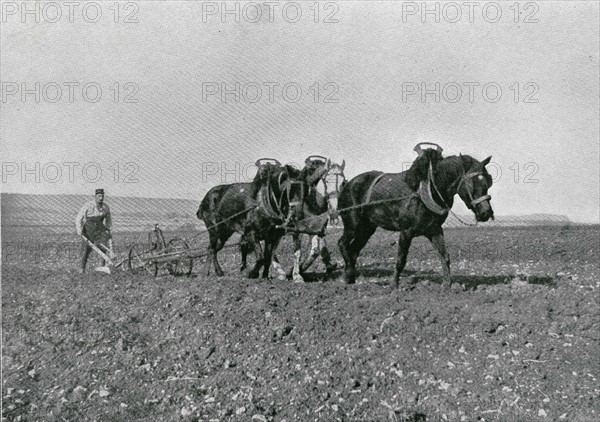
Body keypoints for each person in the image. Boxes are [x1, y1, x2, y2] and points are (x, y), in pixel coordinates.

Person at [75, 188, 113, 273]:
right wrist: (79, 230)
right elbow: (78, 218)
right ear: (95, 196)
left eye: (102, 196)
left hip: (100, 228)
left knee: (103, 247)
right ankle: (82, 268)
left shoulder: (105, 207)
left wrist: (109, 229)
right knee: (87, 249)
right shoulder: (88, 205)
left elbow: (108, 220)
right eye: (99, 196)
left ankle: (102, 268)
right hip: (89, 228)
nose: (101, 198)